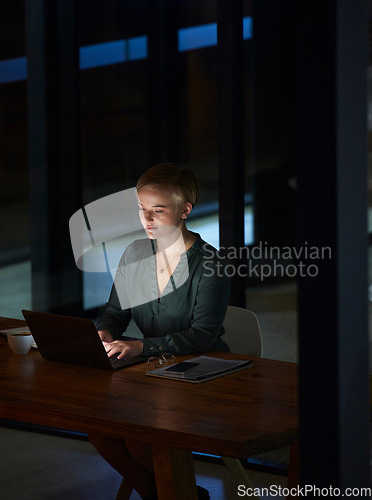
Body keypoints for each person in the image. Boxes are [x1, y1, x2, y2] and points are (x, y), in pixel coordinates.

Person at [89, 163, 230, 500]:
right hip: (151, 370)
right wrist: (105, 333)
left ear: (185, 210)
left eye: (158, 210)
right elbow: (114, 313)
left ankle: (171, 493)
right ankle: (171, 493)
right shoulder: (135, 254)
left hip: (203, 369)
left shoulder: (210, 263)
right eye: (141, 209)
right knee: (99, 427)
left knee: (140, 432)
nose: (147, 219)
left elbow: (202, 336)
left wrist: (140, 348)